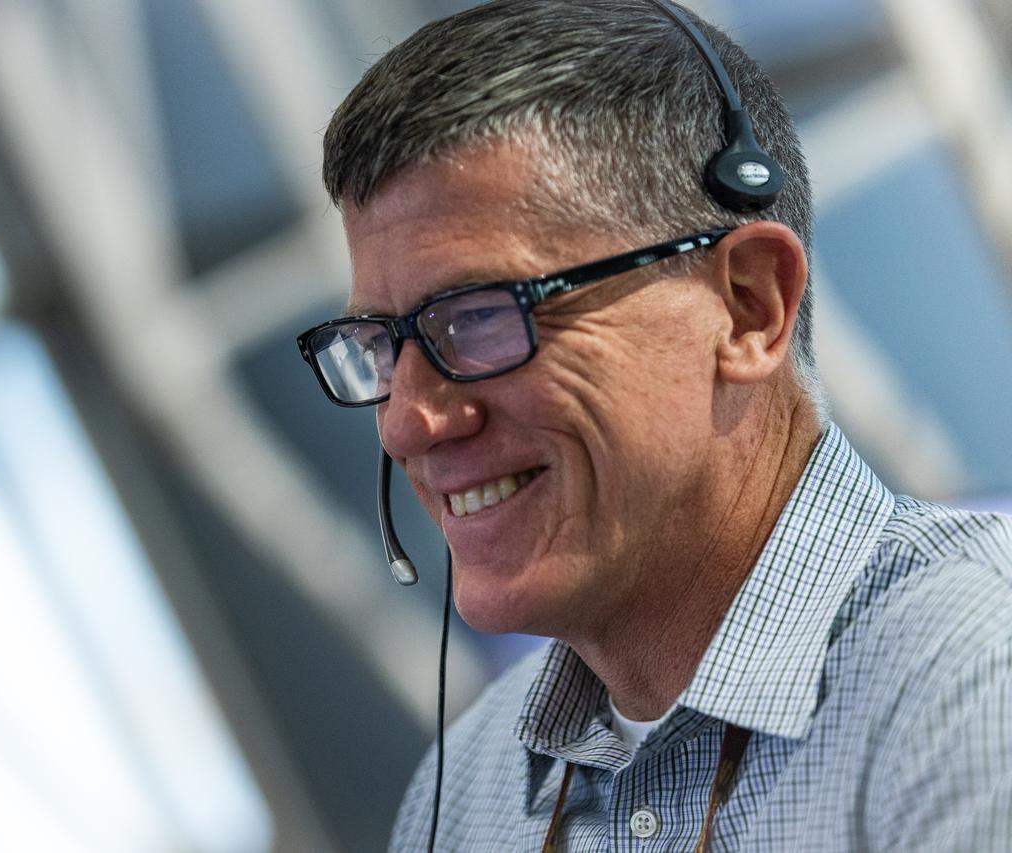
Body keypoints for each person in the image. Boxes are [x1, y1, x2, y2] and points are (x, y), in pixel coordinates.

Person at [296, 0, 1012, 849]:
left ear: (750, 307)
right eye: (378, 345)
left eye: (482, 315)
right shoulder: (465, 796)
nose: (408, 423)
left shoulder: (973, 675)